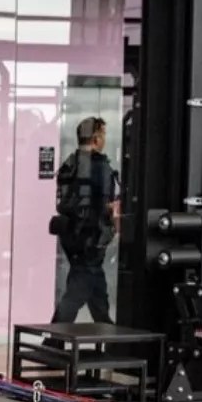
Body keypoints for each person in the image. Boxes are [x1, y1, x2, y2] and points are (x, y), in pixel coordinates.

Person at [52, 116, 122, 323]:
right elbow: (106, 204)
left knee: (97, 291)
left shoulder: (70, 163)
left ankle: (107, 332)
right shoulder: (100, 167)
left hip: (71, 236)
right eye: (104, 135)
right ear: (96, 138)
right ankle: (54, 339)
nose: (105, 139)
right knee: (76, 292)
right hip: (91, 237)